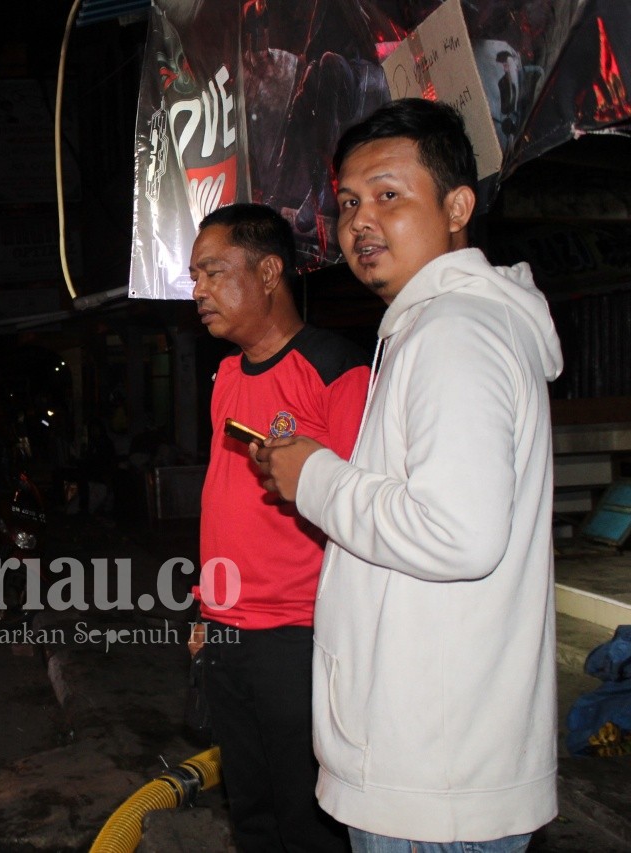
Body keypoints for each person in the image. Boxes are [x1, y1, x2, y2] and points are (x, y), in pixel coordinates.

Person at [255, 98, 563, 850]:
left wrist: (314, 477)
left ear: (458, 205)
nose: (361, 220)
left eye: (389, 195)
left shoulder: (455, 331)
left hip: (432, 780)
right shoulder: (437, 326)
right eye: (350, 202)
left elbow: (457, 533)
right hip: (433, 765)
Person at [186, 202, 369, 851]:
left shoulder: (336, 368)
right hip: (229, 631)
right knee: (251, 806)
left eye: (211, 272)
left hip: (300, 636)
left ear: (268, 271)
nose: (198, 290)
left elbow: (365, 513)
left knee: (308, 814)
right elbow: (225, 500)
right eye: (194, 276)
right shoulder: (227, 375)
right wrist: (208, 610)